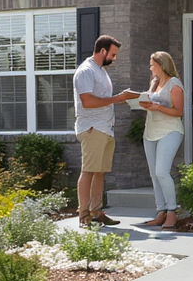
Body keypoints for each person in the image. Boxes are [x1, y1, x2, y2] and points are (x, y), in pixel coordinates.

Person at [73, 35, 138, 227]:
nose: (114, 58)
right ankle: (84, 216)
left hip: (105, 128)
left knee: (99, 172)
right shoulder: (86, 71)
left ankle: (97, 213)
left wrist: (126, 98)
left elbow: (103, 99)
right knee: (88, 171)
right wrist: (118, 98)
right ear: (103, 51)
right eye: (113, 54)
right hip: (92, 128)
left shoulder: (100, 70)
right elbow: (87, 101)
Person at [136, 51, 184, 230]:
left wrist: (157, 107)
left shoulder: (174, 84)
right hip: (150, 132)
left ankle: (172, 211)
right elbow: (153, 105)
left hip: (170, 131)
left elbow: (179, 111)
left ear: (161, 65)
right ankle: (161, 211)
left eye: (152, 65)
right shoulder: (154, 83)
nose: (150, 68)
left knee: (162, 172)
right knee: (154, 174)